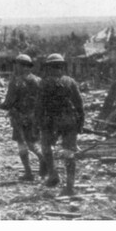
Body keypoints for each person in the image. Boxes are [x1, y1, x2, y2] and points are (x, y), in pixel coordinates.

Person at [36, 54, 85, 196]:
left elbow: (39, 106)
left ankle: (53, 174)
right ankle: (70, 187)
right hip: (70, 121)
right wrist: (81, 123)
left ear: (49, 67)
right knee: (69, 152)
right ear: (62, 66)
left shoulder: (44, 83)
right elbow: (79, 104)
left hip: (50, 121)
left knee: (46, 146)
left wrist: (38, 123)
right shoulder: (70, 82)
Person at [0, 54, 43, 181]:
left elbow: (8, 104)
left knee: (22, 145)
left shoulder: (16, 82)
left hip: (19, 118)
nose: (15, 67)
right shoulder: (38, 80)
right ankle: (43, 164)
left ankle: (28, 173)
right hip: (34, 117)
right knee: (33, 143)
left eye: (16, 65)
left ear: (22, 66)